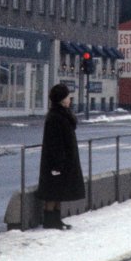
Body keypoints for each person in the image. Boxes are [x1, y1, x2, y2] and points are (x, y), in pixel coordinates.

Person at [34, 83, 85, 230]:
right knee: (53, 192)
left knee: (59, 191)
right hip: (56, 162)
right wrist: (57, 164)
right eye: (68, 97)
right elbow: (55, 143)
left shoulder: (62, 114)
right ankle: (49, 220)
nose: (70, 99)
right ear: (62, 100)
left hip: (63, 161)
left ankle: (56, 220)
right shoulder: (56, 117)